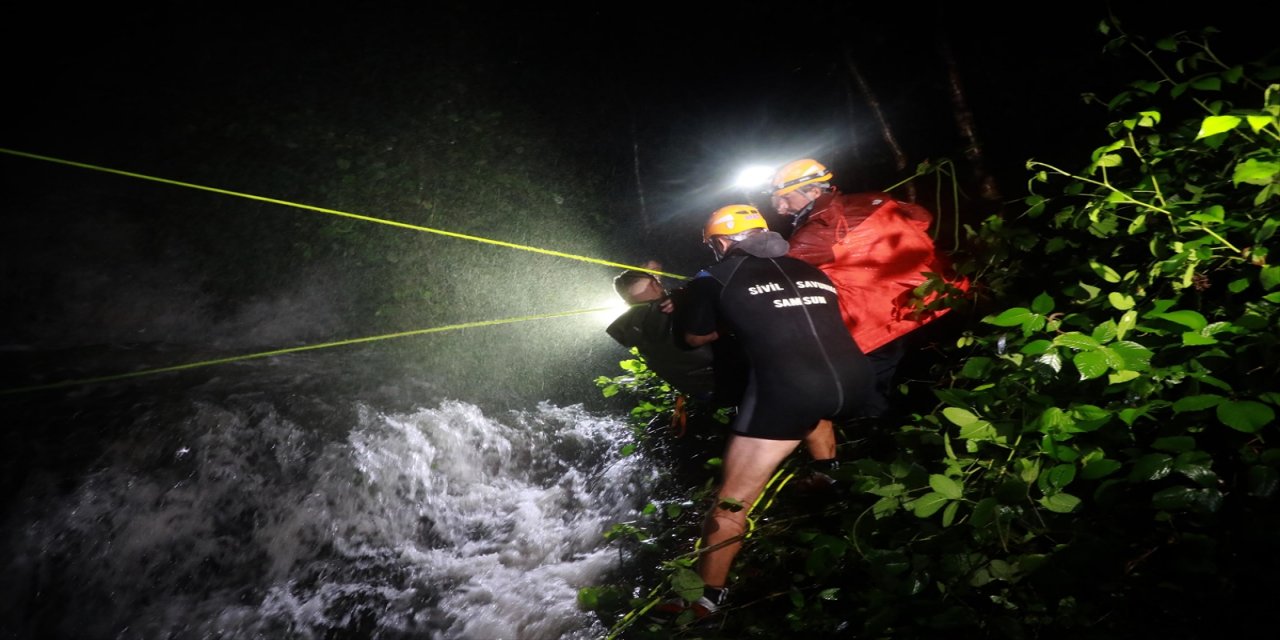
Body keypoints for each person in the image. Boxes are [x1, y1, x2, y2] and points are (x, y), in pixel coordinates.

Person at [655, 204, 878, 620]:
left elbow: (694, 336)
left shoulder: (713, 277)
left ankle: (706, 597)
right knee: (812, 394)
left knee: (730, 502)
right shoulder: (811, 269)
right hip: (857, 382)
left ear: (721, 242)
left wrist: (702, 304)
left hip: (791, 394)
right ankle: (829, 471)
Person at [769, 158, 970, 413]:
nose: (781, 209)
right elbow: (922, 217)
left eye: (785, 199)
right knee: (950, 381)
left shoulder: (816, 232)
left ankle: (886, 443)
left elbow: (780, 271)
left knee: (879, 399)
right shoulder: (877, 199)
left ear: (814, 191)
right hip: (943, 299)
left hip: (887, 324)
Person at [605, 262, 839, 467]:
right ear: (654, 286)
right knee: (813, 413)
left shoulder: (634, 329)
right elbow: (718, 317)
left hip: (714, 392)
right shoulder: (678, 309)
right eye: (656, 282)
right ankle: (828, 472)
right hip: (741, 377)